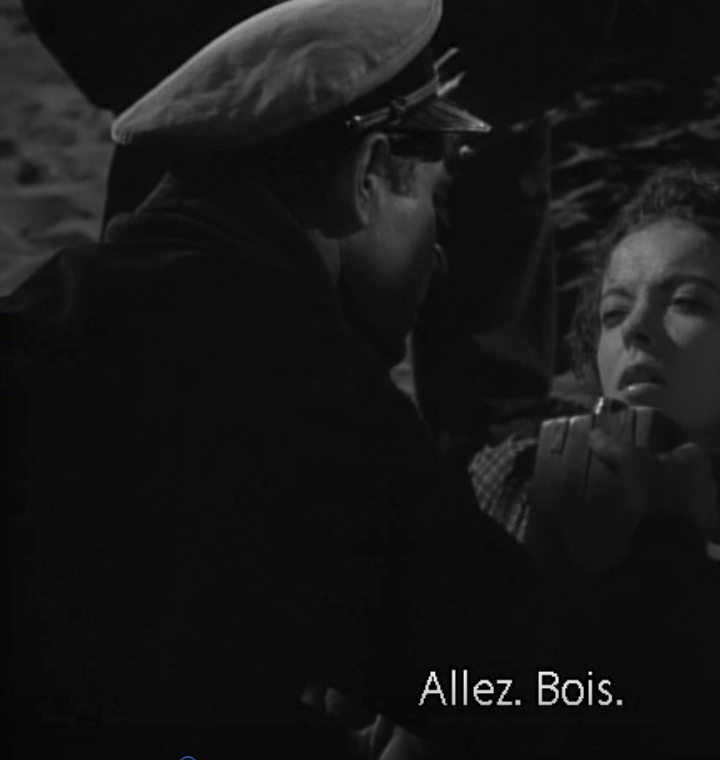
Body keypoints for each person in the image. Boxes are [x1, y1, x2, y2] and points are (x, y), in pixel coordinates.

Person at [0, 0, 551, 756]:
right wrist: (642, 554)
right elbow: (530, 687)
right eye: (436, 201)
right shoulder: (310, 394)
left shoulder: (59, 298)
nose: (440, 257)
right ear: (366, 176)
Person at [459, 167, 720, 757]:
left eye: (687, 302)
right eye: (613, 313)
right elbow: (442, 692)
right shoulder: (510, 482)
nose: (636, 330)